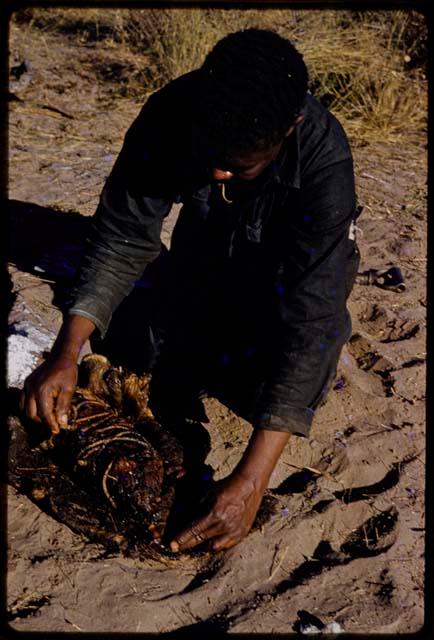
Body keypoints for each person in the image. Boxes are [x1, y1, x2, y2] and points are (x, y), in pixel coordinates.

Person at [20, 29, 361, 553]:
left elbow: (313, 314)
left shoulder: (324, 160)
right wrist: (67, 351)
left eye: (239, 165)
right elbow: (121, 238)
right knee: (138, 347)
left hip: (285, 281)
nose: (219, 172)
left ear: (288, 130)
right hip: (205, 260)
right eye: (211, 156)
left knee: (274, 388)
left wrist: (252, 481)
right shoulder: (171, 113)